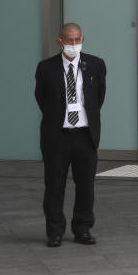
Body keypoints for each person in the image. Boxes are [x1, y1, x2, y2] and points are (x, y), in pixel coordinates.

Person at [34, 23, 106, 247]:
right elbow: (42, 99)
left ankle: (82, 228)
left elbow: (98, 98)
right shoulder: (46, 67)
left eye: (77, 40)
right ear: (60, 42)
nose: (73, 44)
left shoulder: (95, 64)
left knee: (86, 186)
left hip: (85, 136)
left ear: (82, 39)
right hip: (57, 137)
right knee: (54, 186)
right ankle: (54, 231)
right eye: (69, 40)